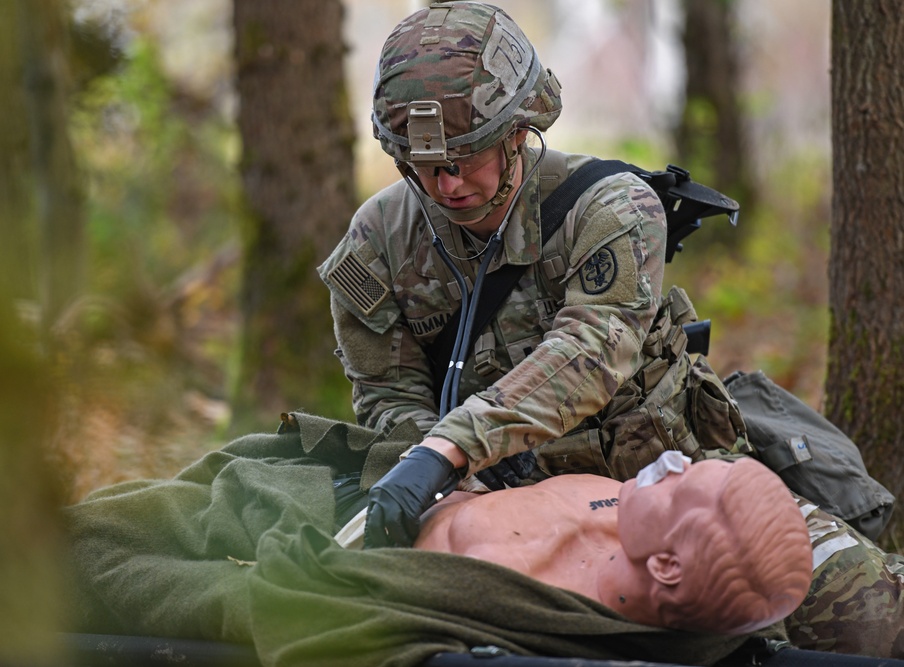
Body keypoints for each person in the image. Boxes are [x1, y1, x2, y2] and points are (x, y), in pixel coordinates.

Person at [319, 0, 746, 549]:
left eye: (464, 161)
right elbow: (388, 395)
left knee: (854, 597)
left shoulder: (611, 207)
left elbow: (591, 352)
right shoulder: (380, 238)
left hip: (670, 486)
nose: (445, 185)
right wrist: (447, 486)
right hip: (497, 510)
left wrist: (450, 449)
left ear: (517, 135)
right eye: (424, 168)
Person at [413, 453, 814, 635]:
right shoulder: (623, 511)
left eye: (678, 489)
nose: (672, 462)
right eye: (692, 462)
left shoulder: (496, 578)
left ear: (667, 567)